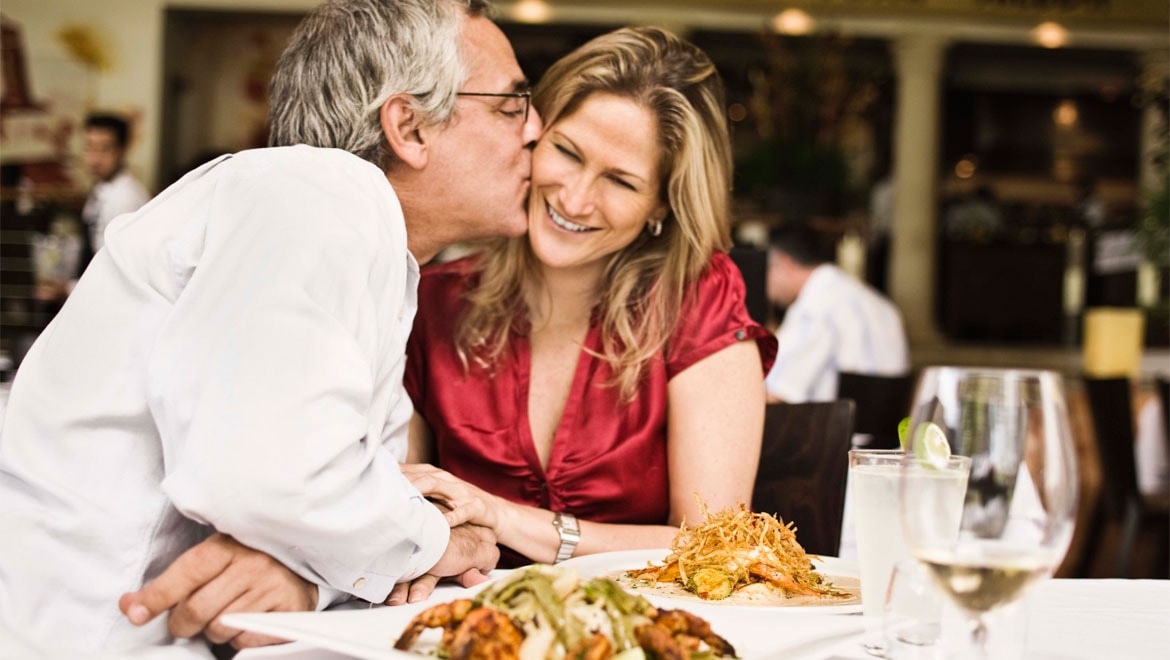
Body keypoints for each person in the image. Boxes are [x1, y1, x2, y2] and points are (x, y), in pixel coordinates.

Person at [0, 0, 541, 655]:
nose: (535, 128)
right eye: (512, 104)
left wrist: (306, 570)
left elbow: (369, 485)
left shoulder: (368, 246)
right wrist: (446, 541)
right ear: (410, 127)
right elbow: (273, 483)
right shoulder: (314, 192)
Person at [400, 25, 776, 571]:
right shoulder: (433, 301)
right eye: (568, 152)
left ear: (661, 206)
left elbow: (716, 545)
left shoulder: (697, 300)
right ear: (533, 134)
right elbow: (399, 503)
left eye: (621, 182)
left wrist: (504, 519)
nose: (575, 200)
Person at [763, 223, 908, 403]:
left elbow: (774, 391)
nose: (768, 288)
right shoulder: (883, 306)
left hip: (836, 428)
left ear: (783, 262)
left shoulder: (816, 307)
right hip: (887, 429)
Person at [81, 112, 152, 255]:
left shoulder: (126, 197)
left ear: (123, 150)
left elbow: (123, 258)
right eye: (90, 148)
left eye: (104, 149)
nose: (95, 159)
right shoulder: (102, 187)